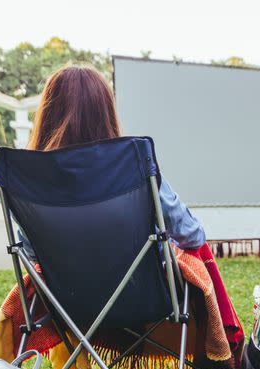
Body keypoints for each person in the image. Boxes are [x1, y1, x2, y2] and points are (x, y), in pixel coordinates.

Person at [20, 64, 205, 254]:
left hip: (60, 285)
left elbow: (31, 253)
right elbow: (191, 235)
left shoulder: (29, 181)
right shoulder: (135, 166)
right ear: (105, 113)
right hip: (141, 283)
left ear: (47, 116)